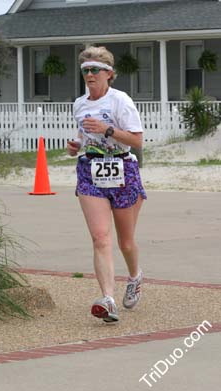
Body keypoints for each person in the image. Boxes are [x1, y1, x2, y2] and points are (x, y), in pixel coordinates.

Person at [67, 46, 147, 323]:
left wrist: (108, 130)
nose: (89, 75)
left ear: (109, 74)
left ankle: (135, 276)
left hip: (123, 168)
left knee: (125, 242)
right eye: (85, 70)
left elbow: (137, 141)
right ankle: (108, 300)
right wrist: (75, 145)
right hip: (91, 170)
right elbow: (82, 136)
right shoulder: (79, 103)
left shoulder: (120, 101)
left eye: (95, 70)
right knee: (101, 238)